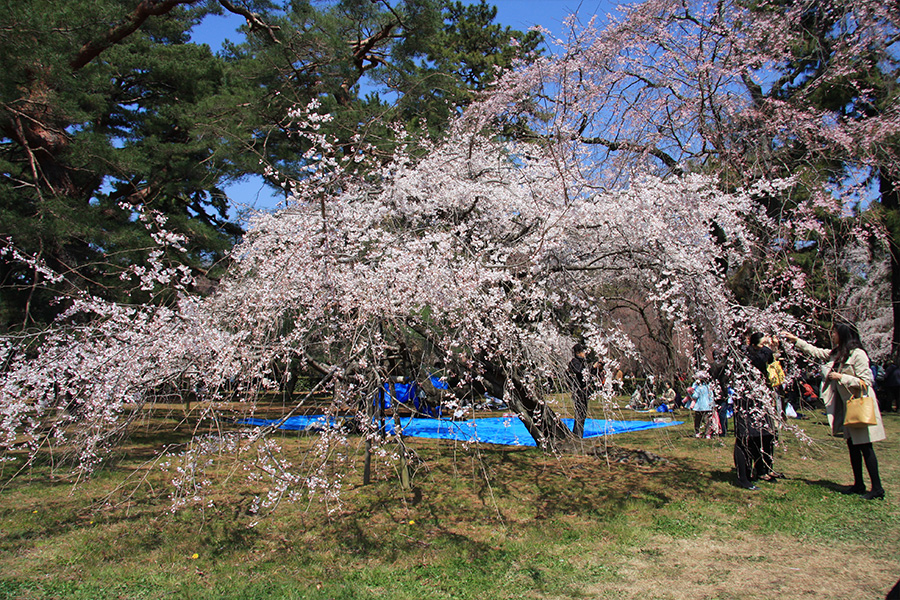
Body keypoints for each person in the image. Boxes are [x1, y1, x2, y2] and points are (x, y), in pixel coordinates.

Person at [782, 323, 886, 500]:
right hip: (847, 407)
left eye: (835, 332)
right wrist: (796, 341)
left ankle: (877, 488)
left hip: (859, 406)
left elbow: (866, 381)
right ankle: (859, 484)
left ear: (844, 334)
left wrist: (841, 377)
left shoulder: (858, 354)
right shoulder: (838, 353)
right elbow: (816, 352)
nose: (833, 335)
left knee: (865, 447)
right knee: (853, 446)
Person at [733, 332, 779, 489]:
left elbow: (771, 367)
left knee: (764, 435)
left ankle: (762, 469)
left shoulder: (764, 353)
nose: (764, 348)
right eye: (761, 345)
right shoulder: (743, 355)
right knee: (744, 437)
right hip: (746, 399)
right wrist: (768, 350)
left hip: (761, 397)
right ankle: (743, 476)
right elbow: (759, 361)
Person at [567, 344, 599, 438]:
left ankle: (578, 433)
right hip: (579, 391)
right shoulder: (574, 362)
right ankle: (577, 434)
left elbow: (588, 375)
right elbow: (581, 372)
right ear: (578, 353)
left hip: (584, 391)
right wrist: (591, 368)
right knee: (580, 414)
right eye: (583, 351)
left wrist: (594, 368)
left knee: (582, 414)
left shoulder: (582, 362)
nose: (584, 353)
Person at [690, 372, 714, 437]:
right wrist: (712, 404)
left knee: (698, 420)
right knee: (707, 421)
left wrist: (692, 392)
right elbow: (711, 396)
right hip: (707, 406)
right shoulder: (709, 387)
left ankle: (697, 432)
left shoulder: (698, 388)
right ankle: (707, 434)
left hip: (699, 406)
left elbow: (695, 396)